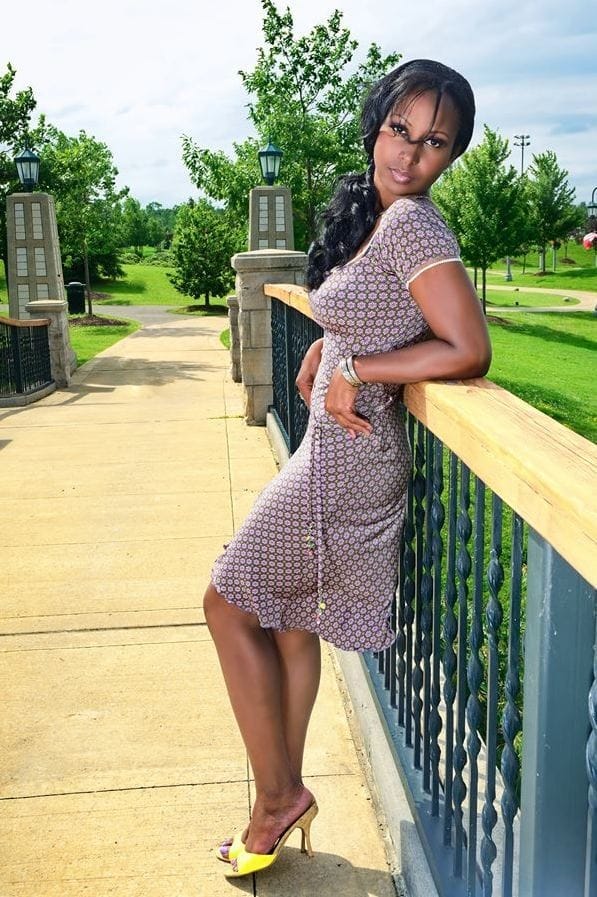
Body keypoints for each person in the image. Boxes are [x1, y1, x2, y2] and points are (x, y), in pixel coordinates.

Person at [203, 58, 491, 879]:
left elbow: (467, 347)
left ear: (451, 155)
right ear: (376, 124)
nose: (409, 153)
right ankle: (280, 796)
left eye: (434, 142)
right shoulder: (378, 212)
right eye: (400, 129)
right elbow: (382, 307)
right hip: (339, 449)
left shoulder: (414, 226)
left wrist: (358, 369)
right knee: (289, 621)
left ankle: (277, 797)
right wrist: (330, 345)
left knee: (226, 603)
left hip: (350, 459)